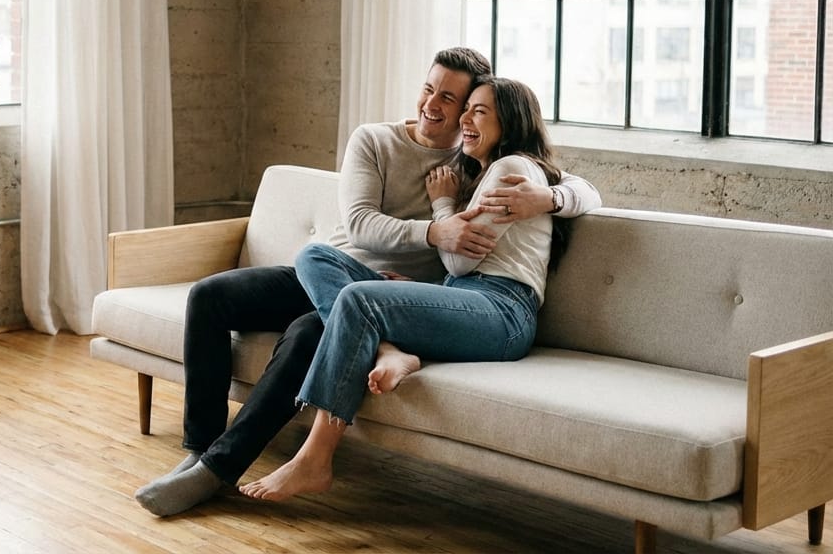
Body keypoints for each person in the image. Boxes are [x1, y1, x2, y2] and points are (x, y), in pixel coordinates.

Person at [133, 49, 600, 517]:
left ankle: (219, 469)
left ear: (466, 114)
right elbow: (358, 224)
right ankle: (201, 447)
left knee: (306, 334)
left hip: (393, 296)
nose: (432, 104)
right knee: (215, 293)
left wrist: (550, 197)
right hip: (338, 270)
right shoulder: (376, 140)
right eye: (428, 88)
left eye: (453, 100)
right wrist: (436, 228)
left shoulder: (474, 164)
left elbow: (574, 186)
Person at [240, 77, 563, 501]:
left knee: (358, 300)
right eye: (467, 108)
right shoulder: (487, 170)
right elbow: (460, 268)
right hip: (471, 298)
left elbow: (460, 259)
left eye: (478, 111)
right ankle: (387, 349)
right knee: (315, 256)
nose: (464, 118)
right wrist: (429, 288)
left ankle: (315, 459)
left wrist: (442, 206)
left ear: (512, 123)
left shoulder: (510, 170)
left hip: (503, 312)